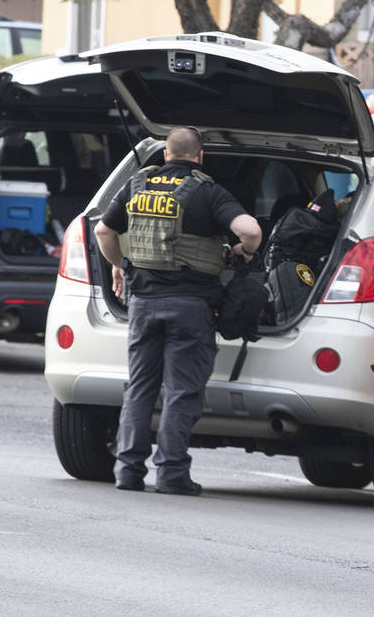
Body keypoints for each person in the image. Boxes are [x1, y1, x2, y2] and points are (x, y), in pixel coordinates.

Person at [94, 126, 261, 495]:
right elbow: (250, 230)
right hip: (190, 307)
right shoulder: (207, 191)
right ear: (199, 157)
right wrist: (242, 252)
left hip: (142, 303)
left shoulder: (137, 186)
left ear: (166, 155)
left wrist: (119, 265)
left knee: (140, 387)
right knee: (182, 391)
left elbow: (103, 232)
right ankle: (171, 474)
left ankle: (128, 471)